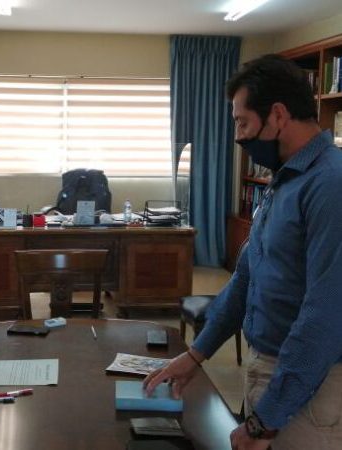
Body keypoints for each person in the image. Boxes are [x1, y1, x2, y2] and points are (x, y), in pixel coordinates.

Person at [144, 54, 342, 450]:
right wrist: (196, 355)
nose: (238, 136)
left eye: (242, 122)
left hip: (309, 387)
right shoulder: (284, 179)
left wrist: (264, 422)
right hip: (269, 370)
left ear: (278, 115)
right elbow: (246, 278)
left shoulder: (330, 183)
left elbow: (326, 315)